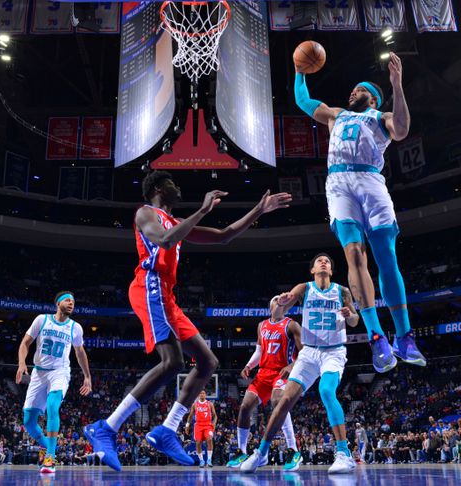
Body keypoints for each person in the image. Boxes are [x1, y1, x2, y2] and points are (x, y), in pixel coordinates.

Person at [84, 170, 291, 471]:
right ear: (157, 188)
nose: (178, 187)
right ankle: (106, 428)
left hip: (168, 296)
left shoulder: (179, 223)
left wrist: (258, 210)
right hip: (149, 287)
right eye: (172, 183)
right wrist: (203, 210)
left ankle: (168, 429)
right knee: (173, 362)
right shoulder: (145, 213)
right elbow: (165, 241)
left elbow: (225, 236)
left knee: (208, 362)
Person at [293, 52, 426, 373]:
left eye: (359, 90)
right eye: (352, 90)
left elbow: (404, 130)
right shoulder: (335, 115)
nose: (352, 93)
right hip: (339, 183)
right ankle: (377, 335)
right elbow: (303, 100)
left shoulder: (381, 116)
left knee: (386, 257)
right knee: (354, 255)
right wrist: (299, 72)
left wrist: (397, 84)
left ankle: (405, 335)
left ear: (373, 97)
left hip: (370, 180)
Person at [241, 253, 360, 474]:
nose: (324, 262)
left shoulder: (342, 291)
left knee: (326, 390)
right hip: (309, 353)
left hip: (333, 352)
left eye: (328, 261)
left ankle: (344, 453)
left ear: (331, 271)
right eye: (319, 261)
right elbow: (281, 309)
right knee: (285, 399)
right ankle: (261, 453)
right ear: (312, 270)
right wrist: (281, 301)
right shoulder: (304, 288)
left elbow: (354, 321)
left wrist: (349, 314)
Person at [16, 291, 92, 474]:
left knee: (52, 406)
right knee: (28, 421)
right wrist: (21, 363)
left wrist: (87, 376)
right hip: (39, 372)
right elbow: (25, 343)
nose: (71, 303)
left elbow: (79, 352)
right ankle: (47, 446)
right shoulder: (42, 319)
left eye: (73, 301)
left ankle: (49, 458)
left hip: (60, 372)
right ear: (58, 303)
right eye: (67, 300)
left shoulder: (75, 327)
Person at [226, 296, 303, 470]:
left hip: (281, 372)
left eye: (282, 299)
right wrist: (248, 365)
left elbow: (304, 352)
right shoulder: (262, 325)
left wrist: (291, 365)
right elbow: (259, 351)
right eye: (276, 299)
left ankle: (293, 449)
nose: (279, 300)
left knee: (278, 403)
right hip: (263, 373)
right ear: (270, 306)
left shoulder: (291, 325)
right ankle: (242, 451)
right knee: (245, 407)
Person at [184, 390, 217, 467]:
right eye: (200, 393)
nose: (202, 394)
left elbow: (215, 416)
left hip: (208, 425)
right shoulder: (195, 404)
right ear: (198, 395)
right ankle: (201, 460)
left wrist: (214, 424)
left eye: (203, 393)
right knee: (198, 442)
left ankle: (209, 460)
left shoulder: (210, 404)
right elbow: (190, 416)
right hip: (198, 425)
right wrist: (187, 425)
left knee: (209, 439)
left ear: (205, 395)